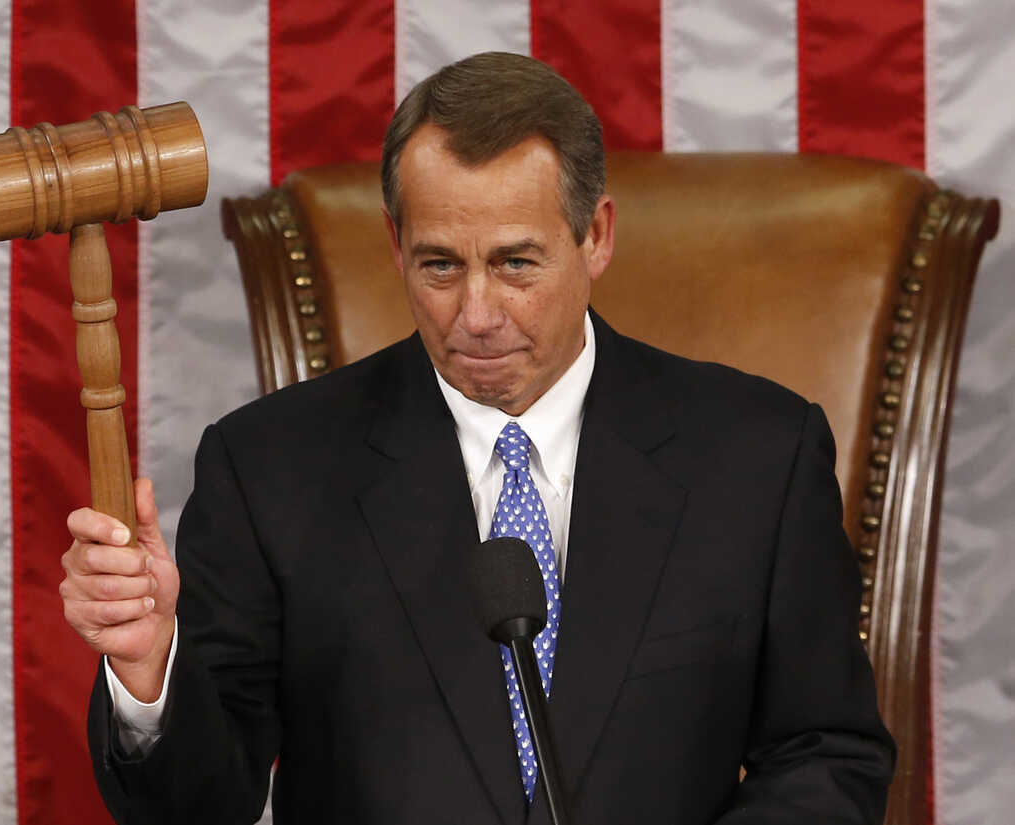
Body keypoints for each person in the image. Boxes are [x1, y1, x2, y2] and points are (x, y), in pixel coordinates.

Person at [60, 52, 894, 824]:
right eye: (441, 266)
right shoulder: (269, 467)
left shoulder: (758, 456)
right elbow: (196, 804)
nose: (478, 317)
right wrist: (149, 670)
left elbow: (826, 753)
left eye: (516, 264)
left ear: (596, 235)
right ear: (395, 245)